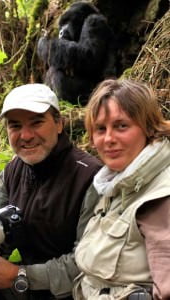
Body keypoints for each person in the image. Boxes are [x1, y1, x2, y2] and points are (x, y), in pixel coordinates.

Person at [0, 83, 102, 300]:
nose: (26, 135)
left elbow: (90, 264)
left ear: (59, 123)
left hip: (76, 292)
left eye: (37, 122)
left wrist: (19, 274)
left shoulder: (90, 178)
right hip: (25, 287)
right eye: (15, 126)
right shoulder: (13, 171)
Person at [73, 79, 170, 299]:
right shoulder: (117, 184)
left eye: (121, 126)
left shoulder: (161, 195)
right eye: (100, 129)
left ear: (148, 128)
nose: (108, 139)